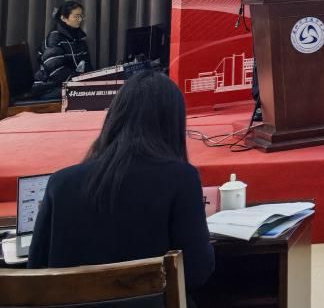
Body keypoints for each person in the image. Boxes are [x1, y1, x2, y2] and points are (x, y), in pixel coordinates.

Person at [27, 70, 214, 302]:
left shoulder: (61, 183)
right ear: (173, 124)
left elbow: (35, 272)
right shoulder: (182, 179)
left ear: (114, 118)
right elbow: (197, 272)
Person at [33, 0, 92, 97]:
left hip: (70, 84)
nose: (80, 19)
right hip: (49, 88)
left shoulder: (79, 38)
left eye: (81, 16)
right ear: (63, 18)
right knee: (87, 96)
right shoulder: (54, 38)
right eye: (76, 16)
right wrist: (79, 79)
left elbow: (87, 65)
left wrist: (91, 79)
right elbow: (55, 71)